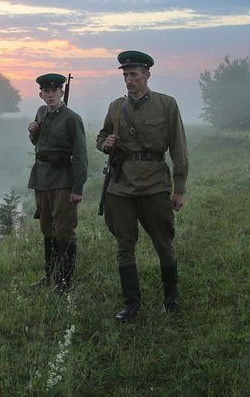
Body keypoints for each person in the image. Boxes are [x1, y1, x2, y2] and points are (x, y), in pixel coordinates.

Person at [96, 50, 189, 322]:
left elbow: (179, 147)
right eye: (125, 75)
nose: (129, 79)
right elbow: (102, 135)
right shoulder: (116, 106)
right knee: (124, 244)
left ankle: (171, 298)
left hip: (154, 184)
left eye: (134, 74)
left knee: (163, 242)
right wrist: (105, 144)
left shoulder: (166, 105)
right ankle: (131, 304)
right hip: (120, 186)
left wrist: (179, 188)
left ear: (147, 75)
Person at [27, 73, 88, 293]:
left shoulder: (72, 118)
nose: (50, 95)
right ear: (41, 94)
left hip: (62, 180)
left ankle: (65, 281)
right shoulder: (42, 112)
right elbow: (39, 143)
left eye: (54, 91)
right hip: (42, 178)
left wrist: (77, 188)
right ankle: (49, 275)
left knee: (64, 231)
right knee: (47, 229)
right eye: (46, 92)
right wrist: (33, 133)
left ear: (62, 93)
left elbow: (80, 155)